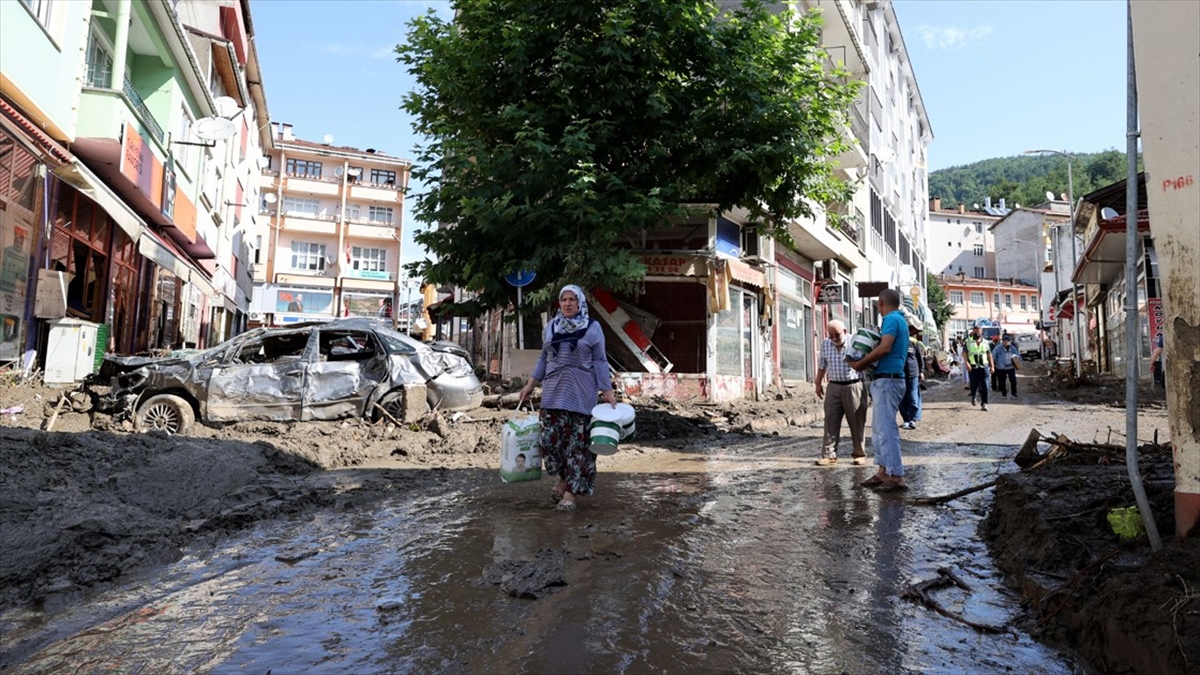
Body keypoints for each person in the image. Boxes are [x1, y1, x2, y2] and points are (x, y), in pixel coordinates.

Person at [519, 284, 616, 511]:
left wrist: (607, 391)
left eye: (572, 299)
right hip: (553, 394)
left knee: (579, 448)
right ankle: (563, 477)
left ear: (580, 302)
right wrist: (530, 385)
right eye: (564, 300)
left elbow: (600, 361)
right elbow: (544, 358)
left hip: (582, 395)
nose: (568, 303)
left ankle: (572, 494)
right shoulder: (552, 327)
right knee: (552, 445)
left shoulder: (593, 328)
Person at [849, 288, 909, 492]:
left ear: (881, 303)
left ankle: (896, 475)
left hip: (888, 381)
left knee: (886, 430)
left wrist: (861, 362)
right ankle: (884, 471)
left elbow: (885, 348)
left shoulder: (891, 319)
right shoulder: (898, 319)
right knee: (879, 430)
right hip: (886, 380)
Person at [813, 320, 868, 466]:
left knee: (857, 421)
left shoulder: (855, 342)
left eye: (836, 334)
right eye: (831, 335)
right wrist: (818, 383)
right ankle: (829, 455)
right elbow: (822, 365)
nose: (834, 338)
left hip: (854, 386)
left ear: (844, 331)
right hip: (834, 386)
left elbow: (866, 362)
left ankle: (859, 454)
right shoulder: (826, 344)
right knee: (830, 420)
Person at [900, 316, 925, 429]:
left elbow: (920, 359)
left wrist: (921, 371)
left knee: (913, 396)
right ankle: (905, 419)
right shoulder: (898, 341)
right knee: (902, 398)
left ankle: (912, 419)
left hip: (913, 374)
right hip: (900, 374)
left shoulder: (914, 342)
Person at [964, 326, 994, 411]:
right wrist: (967, 363)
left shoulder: (985, 342)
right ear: (973, 332)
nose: (977, 333)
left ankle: (984, 403)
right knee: (974, 385)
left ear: (981, 332)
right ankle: (973, 395)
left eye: (979, 331)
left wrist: (992, 366)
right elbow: (964, 353)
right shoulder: (968, 342)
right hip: (973, 367)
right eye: (975, 331)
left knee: (985, 386)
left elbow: (989, 355)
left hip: (984, 367)